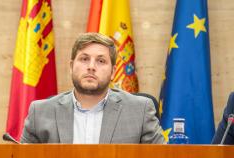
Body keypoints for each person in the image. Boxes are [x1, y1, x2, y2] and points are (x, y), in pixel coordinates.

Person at [20, 32, 165, 144]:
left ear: (113, 72)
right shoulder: (40, 112)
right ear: (71, 67)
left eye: (101, 61)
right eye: (84, 59)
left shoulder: (140, 110)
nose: (91, 67)